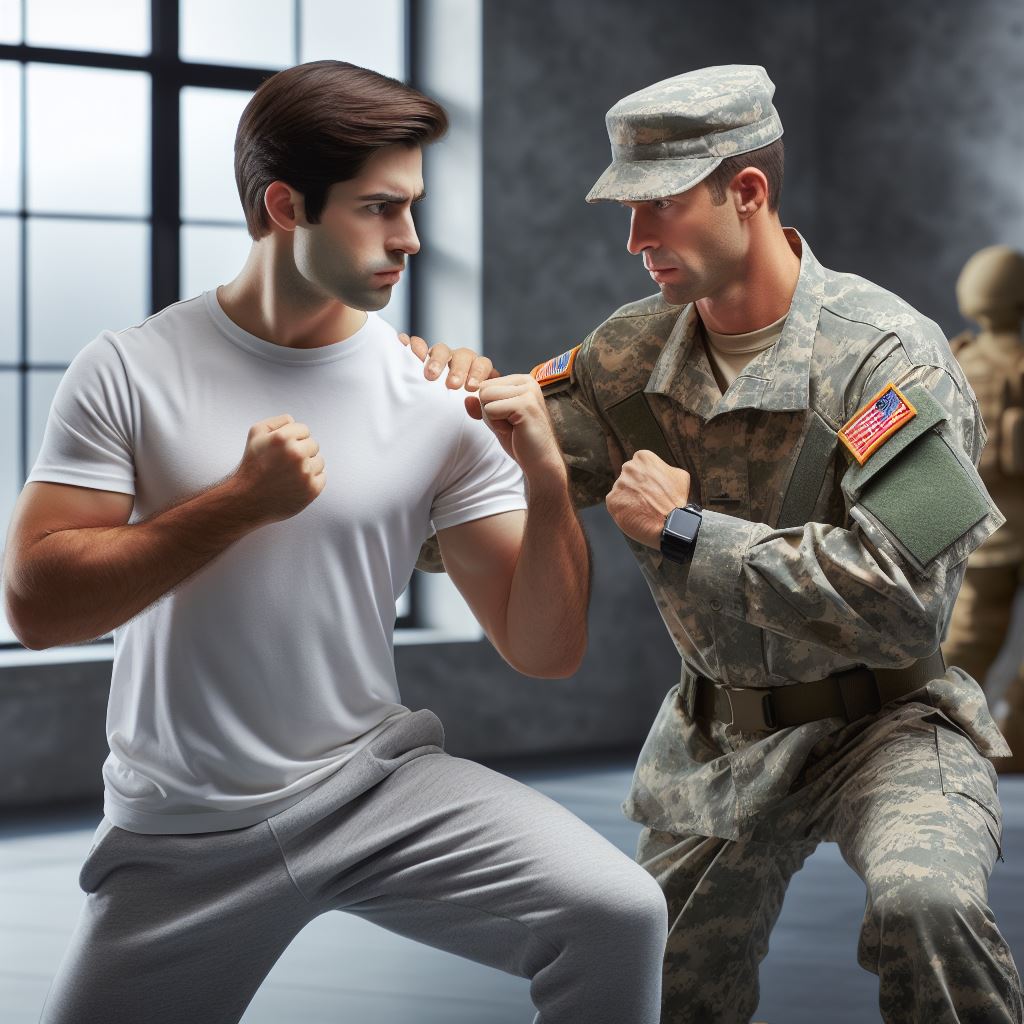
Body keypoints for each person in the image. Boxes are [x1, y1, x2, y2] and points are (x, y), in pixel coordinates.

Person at [1, 61, 667, 1024]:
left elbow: (545, 649)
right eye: (380, 209)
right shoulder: (129, 370)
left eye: (413, 206)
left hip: (372, 793)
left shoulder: (433, 397)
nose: (412, 239)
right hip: (185, 830)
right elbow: (37, 608)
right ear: (285, 206)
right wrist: (237, 501)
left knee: (618, 913)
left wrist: (548, 480)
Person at [408, 64, 1023, 1024]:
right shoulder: (627, 356)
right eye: (626, 210)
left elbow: (904, 593)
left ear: (747, 191)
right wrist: (414, 422)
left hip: (891, 725)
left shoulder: (889, 360)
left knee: (928, 905)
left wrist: (690, 532)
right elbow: (487, 517)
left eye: (659, 206)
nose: (635, 240)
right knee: (642, 973)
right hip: (721, 734)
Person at [943, 245, 1024, 773]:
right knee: (967, 641)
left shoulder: (954, 357)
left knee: (967, 639)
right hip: (997, 526)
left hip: (980, 526)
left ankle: (929, 743)